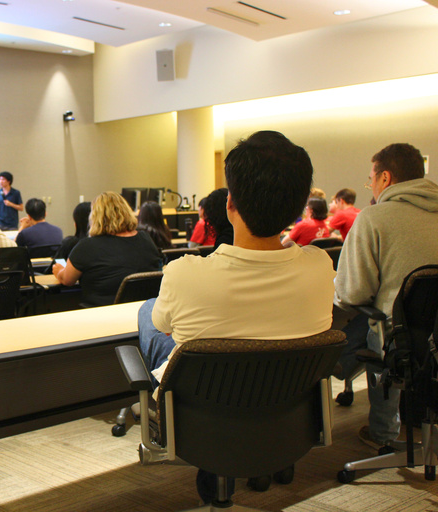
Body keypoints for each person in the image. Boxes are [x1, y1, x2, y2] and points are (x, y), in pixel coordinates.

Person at [138, 131, 335, 503]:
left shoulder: (185, 273)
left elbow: (163, 328)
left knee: (150, 314)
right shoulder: (321, 267)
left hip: (201, 428)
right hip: (289, 420)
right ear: (298, 209)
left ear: (230, 204)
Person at [334, 142, 438, 451]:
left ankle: (383, 432)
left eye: (371, 178)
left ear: (385, 178)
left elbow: (352, 292)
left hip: (398, 336)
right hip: (436, 334)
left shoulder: (374, 218)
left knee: (370, 326)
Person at [52, 191, 162, 307]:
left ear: (95, 217)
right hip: (143, 313)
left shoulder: (87, 246)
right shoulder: (146, 239)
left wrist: (59, 271)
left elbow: (68, 280)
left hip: (102, 314)